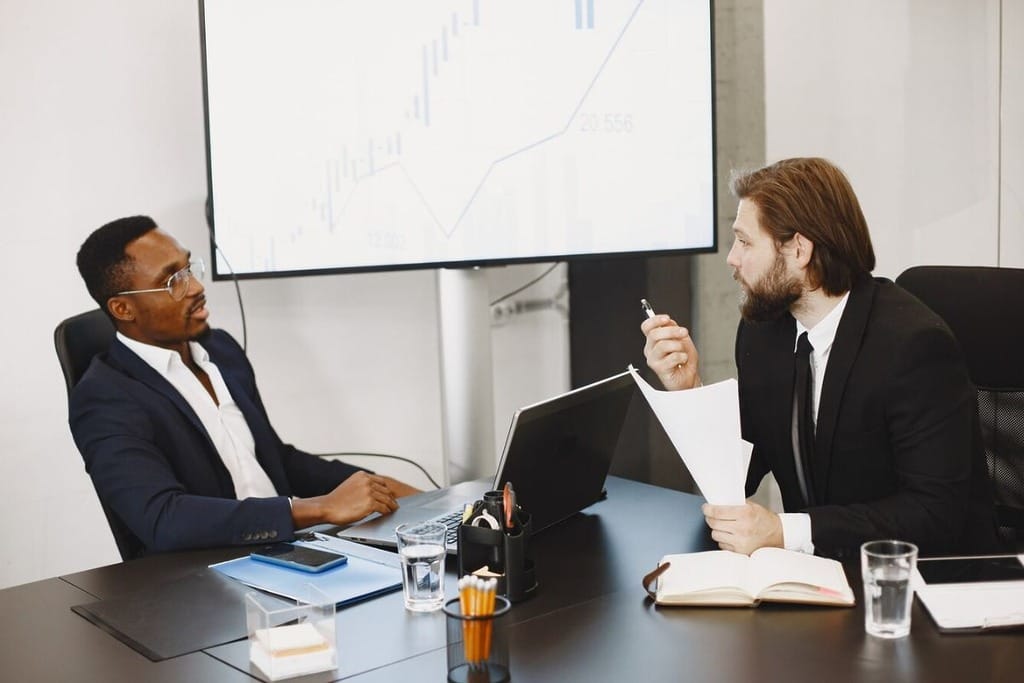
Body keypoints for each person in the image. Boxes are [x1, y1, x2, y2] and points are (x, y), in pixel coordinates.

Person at [642, 157, 998, 561]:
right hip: (819, 576)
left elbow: (933, 515)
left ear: (798, 249)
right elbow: (741, 474)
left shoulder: (913, 346)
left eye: (744, 241)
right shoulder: (764, 332)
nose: (732, 259)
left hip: (920, 582)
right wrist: (690, 390)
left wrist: (783, 530)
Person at [71, 216, 421, 556]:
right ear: (123, 308)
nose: (195, 287)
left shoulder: (220, 349)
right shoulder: (105, 399)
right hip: (205, 578)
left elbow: (273, 457)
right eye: (172, 281)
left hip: (290, 551)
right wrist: (318, 509)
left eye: (189, 269)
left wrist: (379, 487)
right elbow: (164, 519)